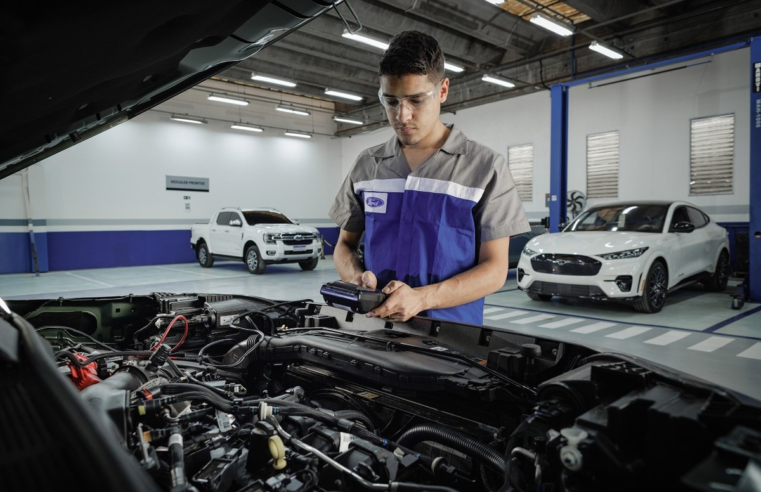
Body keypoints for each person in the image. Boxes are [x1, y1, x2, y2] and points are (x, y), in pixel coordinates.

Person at [328, 31, 531, 325]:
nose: (402, 115)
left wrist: (422, 298)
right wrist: (356, 277)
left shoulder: (485, 168)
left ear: (443, 90)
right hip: (373, 331)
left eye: (416, 100)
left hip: (451, 339)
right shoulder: (367, 166)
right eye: (391, 101)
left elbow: (495, 270)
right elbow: (344, 246)